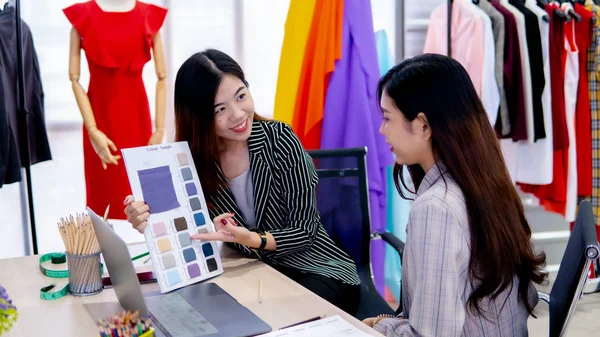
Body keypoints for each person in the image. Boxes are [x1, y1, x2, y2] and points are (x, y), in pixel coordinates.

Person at [123, 49, 361, 315]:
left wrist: (251, 239)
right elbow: (184, 231)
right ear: (198, 117)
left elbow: (304, 231)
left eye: (241, 96)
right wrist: (146, 218)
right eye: (220, 109)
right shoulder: (189, 163)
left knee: (278, 319)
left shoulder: (280, 139)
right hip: (255, 275)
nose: (238, 114)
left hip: (318, 269)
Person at [363, 54, 547, 336]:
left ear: (424, 126)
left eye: (387, 118)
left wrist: (385, 327)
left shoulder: (437, 208)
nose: (382, 130)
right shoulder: (485, 181)